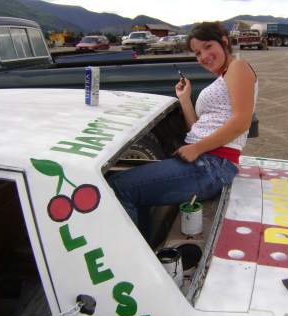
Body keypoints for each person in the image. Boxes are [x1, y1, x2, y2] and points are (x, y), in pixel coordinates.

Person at [107, 21, 258, 240]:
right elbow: (198, 127)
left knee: (120, 188)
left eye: (208, 47)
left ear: (224, 42)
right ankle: (143, 249)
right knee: (128, 187)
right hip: (206, 160)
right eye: (197, 53)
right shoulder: (222, 77)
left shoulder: (238, 66)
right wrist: (185, 99)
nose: (204, 56)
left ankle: (134, 260)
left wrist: (196, 148)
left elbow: (241, 122)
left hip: (213, 163)